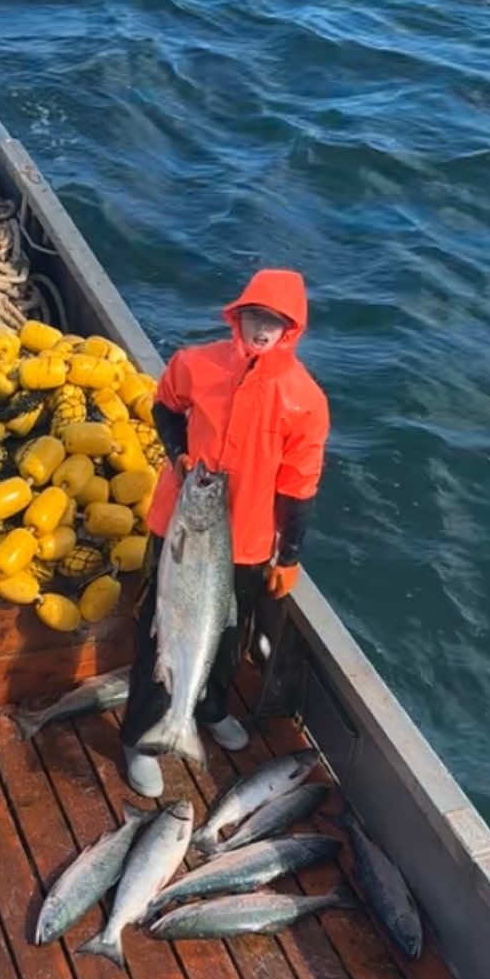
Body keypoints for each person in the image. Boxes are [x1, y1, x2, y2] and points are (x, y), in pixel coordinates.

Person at [121, 268, 329, 798]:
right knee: (161, 630)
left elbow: (300, 484)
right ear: (238, 317)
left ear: (291, 331)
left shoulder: (305, 399)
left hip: (248, 542)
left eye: (276, 323)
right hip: (182, 527)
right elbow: (165, 407)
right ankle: (142, 737)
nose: (263, 330)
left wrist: (290, 555)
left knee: (227, 635)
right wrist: (177, 452)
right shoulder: (196, 363)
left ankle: (209, 709)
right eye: (256, 316)